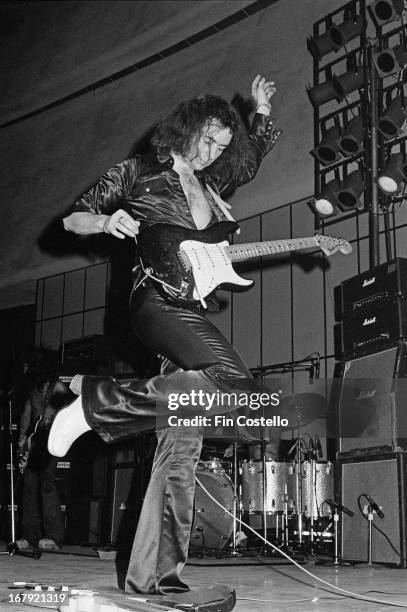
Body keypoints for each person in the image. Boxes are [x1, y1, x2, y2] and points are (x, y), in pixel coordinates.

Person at [48, 75, 281, 607]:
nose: (214, 153)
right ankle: (96, 405)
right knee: (235, 383)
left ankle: (155, 580)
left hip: (189, 307)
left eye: (223, 146)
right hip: (155, 303)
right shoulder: (140, 172)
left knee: (181, 447)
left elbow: (250, 159)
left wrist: (260, 113)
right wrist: (108, 219)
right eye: (209, 141)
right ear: (189, 127)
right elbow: (73, 217)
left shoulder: (213, 184)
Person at [16, 358, 68, 552]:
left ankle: (53, 537)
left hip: (51, 438)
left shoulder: (58, 387)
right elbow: (27, 412)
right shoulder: (33, 389)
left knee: (47, 484)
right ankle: (29, 536)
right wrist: (22, 437)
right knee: (29, 487)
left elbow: (52, 414)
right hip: (34, 441)